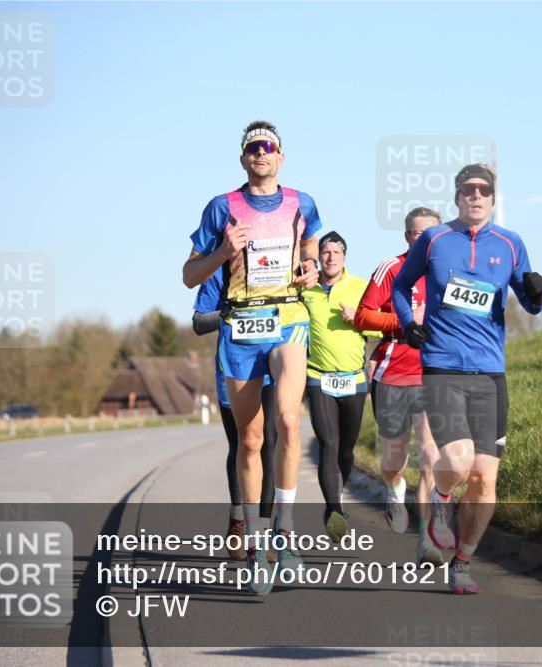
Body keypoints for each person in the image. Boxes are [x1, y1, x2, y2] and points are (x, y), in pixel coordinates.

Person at [390, 164, 542, 594]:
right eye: (468, 190)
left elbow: (532, 304)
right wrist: (408, 323)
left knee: (484, 479)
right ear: (457, 196)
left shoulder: (511, 244)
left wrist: (535, 292)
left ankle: (462, 562)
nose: (476, 197)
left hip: (490, 372)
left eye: (484, 191)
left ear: (493, 199)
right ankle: (440, 505)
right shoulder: (435, 240)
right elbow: (401, 287)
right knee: (456, 462)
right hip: (442, 365)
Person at [183, 120, 321, 595]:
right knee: (249, 441)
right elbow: (188, 275)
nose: (261, 153)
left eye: (269, 147)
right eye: (252, 148)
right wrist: (223, 250)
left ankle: (285, 530)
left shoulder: (302, 202)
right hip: (240, 326)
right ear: (243, 158)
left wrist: (309, 269)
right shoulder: (222, 207)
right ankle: (258, 545)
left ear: (281, 156)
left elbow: (311, 250)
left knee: (288, 419)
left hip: (286, 320)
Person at [354, 207, 443, 566]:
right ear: (408, 237)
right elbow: (363, 316)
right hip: (393, 373)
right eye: (418, 234)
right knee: (394, 461)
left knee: (430, 458)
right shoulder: (392, 269)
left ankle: (426, 540)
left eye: (432, 234)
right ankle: (393, 487)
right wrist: (404, 322)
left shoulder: (452, 273)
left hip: (435, 374)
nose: (425, 240)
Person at [190, 270, 278, 564]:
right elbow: (199, 322)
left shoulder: (274, 265)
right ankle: (238, 515)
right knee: (243, 445)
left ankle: (262, 534)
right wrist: (228, 312)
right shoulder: (219, 273)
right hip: (234, 370)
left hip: (271, 369)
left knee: (268, 448)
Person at [301, 231, 377, 541]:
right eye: (325, 252)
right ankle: (334, 508)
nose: (330, 257)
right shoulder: (306, 290)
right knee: (328, 444)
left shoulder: (361, 287)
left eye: (336, 252)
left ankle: (337, 494)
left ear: (344, 256)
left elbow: (383, 327)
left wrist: (359, 318)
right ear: (318, 256)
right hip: (318, 376)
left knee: (346, 450)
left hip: (354, 380)